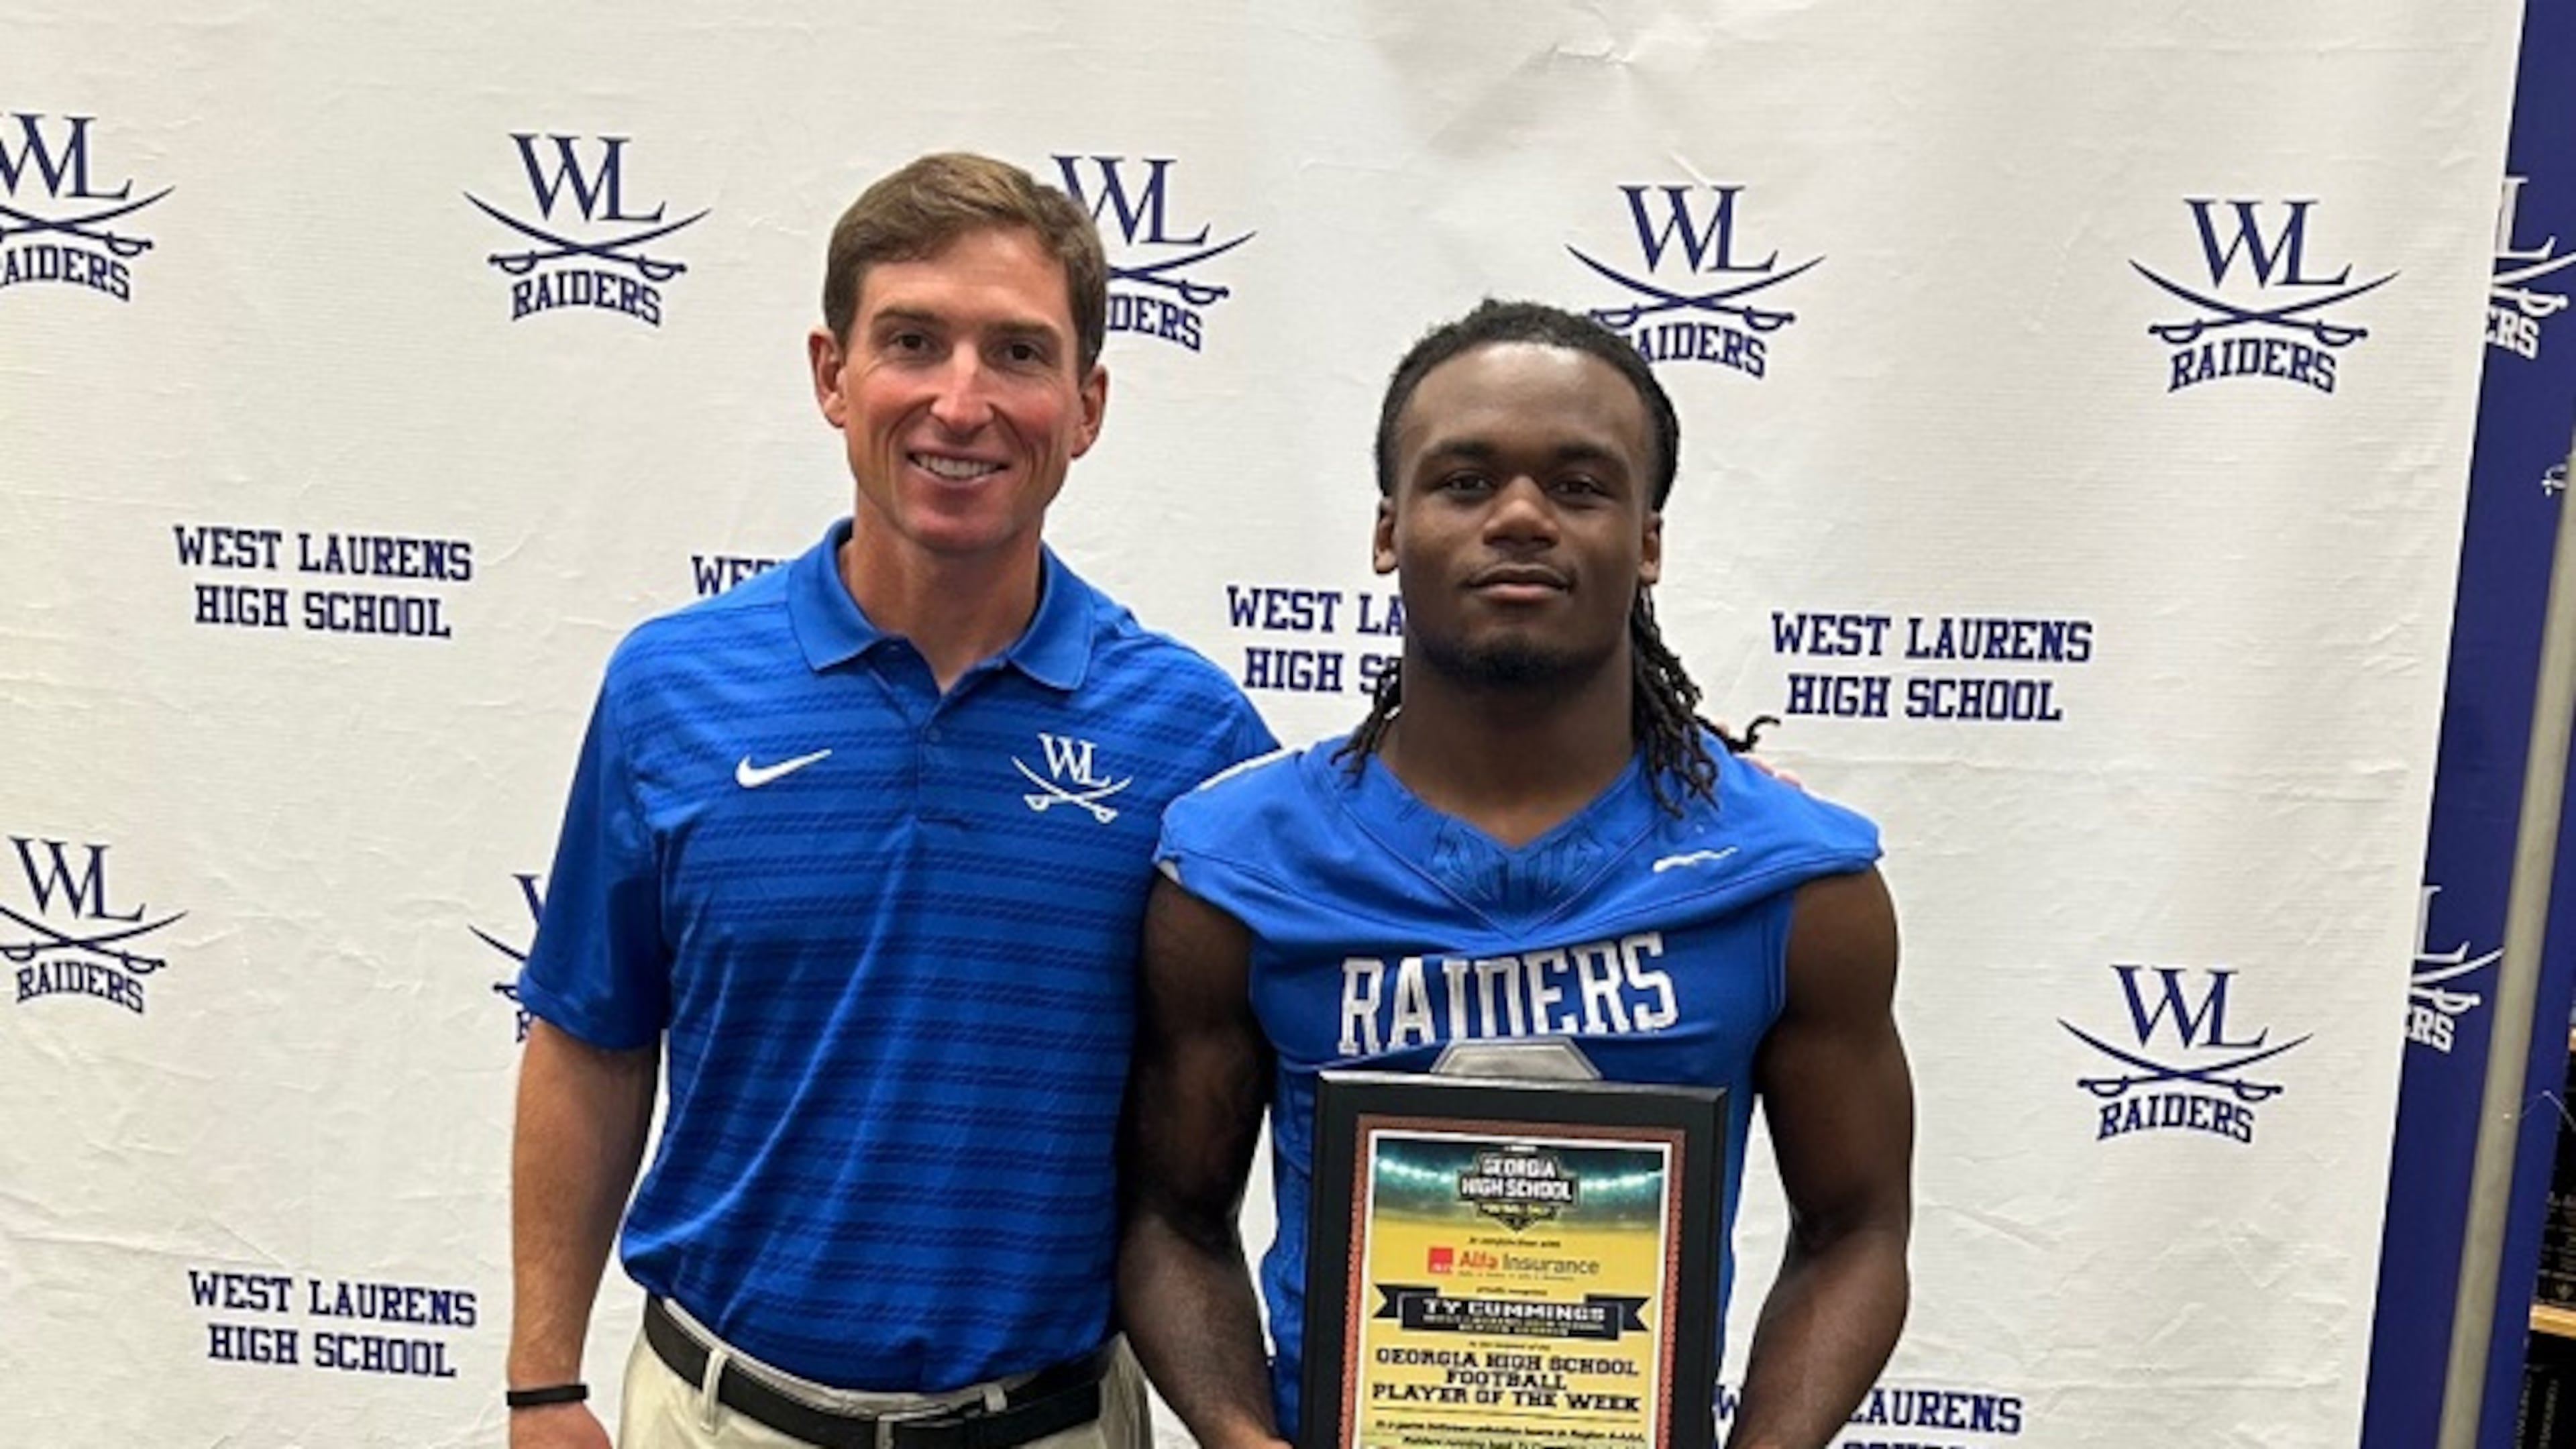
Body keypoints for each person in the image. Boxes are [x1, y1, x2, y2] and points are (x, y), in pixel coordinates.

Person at [506, 152, 1275, 1449]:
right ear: (832, 375)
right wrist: (541, 1385)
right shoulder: (669, 691)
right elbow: (590, 1039)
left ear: (1086, 407)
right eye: (912, 341)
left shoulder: (1192, 738)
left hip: (1052, 1425)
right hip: (714, 1418)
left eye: (1019, 356)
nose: (960, 403)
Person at [1118, 300, 1913, 1449]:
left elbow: (1858, 1231)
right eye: (1466, 481)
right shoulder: (1237, 870)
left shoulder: (1795, 884)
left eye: (1582, 486)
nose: (1524, 517)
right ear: (1390, 528)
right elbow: (1172, 1220)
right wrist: (1245, 1439)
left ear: (1649, 539)